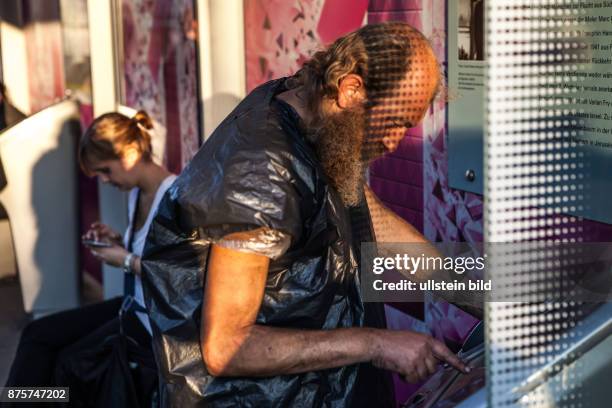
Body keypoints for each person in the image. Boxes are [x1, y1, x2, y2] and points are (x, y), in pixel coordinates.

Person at [142, 22, 476, 407]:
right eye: (397, 122)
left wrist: (480, 291)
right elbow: (228, 345)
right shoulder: (262, 171)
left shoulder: (310, 111)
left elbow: (370, 218)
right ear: (351, 89)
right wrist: (377, 343)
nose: (394, 141)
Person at [5, 111, 176, 395]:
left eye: (105, 170)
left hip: (150, 320)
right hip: (132, 307)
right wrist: (117, 241)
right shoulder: (137, 192)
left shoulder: (172, 197)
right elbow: (154, 250)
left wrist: (123, 259)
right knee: (37, 334)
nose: (104, 180)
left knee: (68, 365)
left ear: (132, 152)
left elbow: (178, 274)